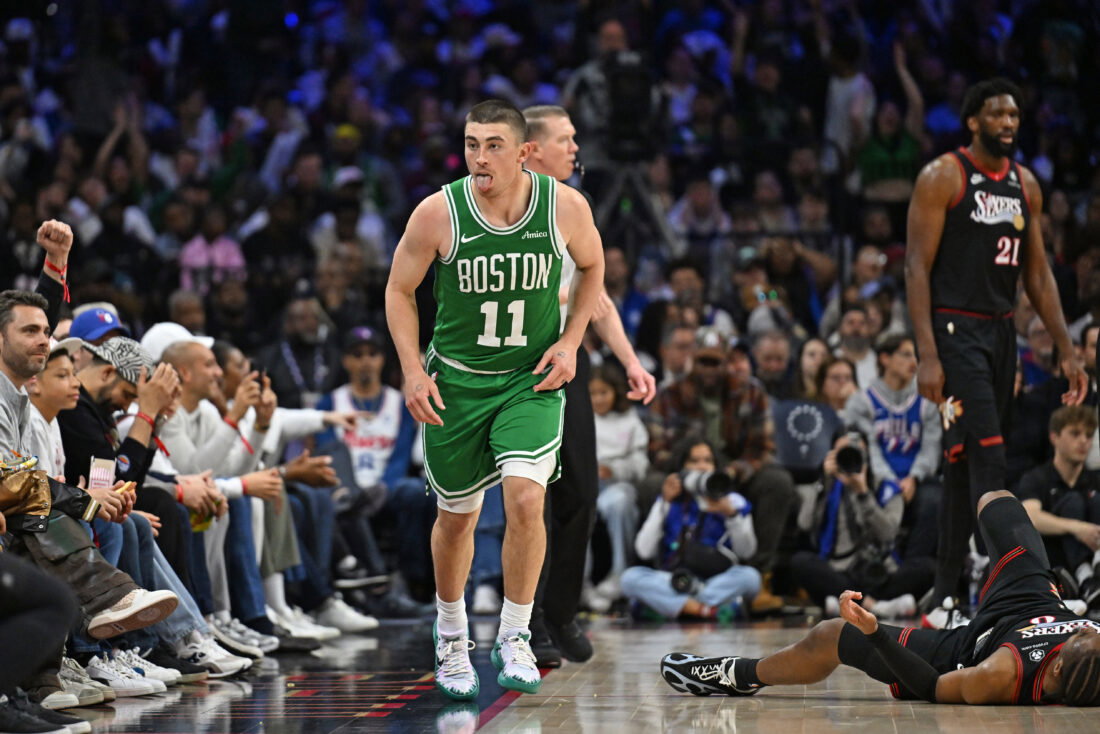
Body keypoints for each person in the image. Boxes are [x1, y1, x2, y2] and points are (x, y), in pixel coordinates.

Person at [385, 100, 604, 699]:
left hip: (526, 380)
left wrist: (570, 341)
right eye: (471, 144)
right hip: (456, 382)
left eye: (493, 145)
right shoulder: (439, 212)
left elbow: (593, 268)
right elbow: (399, 290)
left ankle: (515, 634)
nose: (479, 157)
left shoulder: (564, 206)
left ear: (524, 152)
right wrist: (411, 370)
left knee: (527, 499)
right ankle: (452, 634)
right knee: (458, 519)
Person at [905, 78, 1087, 622]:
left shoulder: (1024, 185)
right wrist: (927, 353)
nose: (1009, 123)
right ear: (973, 121)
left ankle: (945, 593)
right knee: (989, 453)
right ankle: (1008, 587)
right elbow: (915, 266)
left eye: (1015, 115)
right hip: (954, 331)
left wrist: (1067, 348)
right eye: (997, 114)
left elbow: (1037, 273)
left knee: (964, 463)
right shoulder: (944, 176)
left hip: (1002, 331)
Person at [661, 490, 1100, 707]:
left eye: (1078, 634)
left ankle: (736, 675)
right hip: (1036, 602)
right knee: (997, 501)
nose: (1084, 628)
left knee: (834, 633)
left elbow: (930, 688)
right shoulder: (1089, 655)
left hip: (974, 647)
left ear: (1058, 664)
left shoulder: (999, 676)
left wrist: (875, 636)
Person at [521, 104, 657, 665]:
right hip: (515, 369)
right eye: (566, 139)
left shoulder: (576, 207)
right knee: (530, 499)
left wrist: (629, 361)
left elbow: (594, 297)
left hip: (568, 363)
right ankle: (525, 622)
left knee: (580, 491)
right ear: (531, 150)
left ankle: (559, 611)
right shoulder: (502, 209)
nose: (577, 149)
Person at [790, 431, 934, 620]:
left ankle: (845, 603)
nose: (850, 457)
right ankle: (874, 606)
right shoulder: (826, 486)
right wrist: (821, 482)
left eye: (856, 452)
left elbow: (888, 534)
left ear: (868, 456)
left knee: (928, 568)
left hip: (881, 572)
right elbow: (804, 523)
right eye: (843, 452)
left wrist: (863, 493)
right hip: (840, 571)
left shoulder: (887, 489)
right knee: (801, 562)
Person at [621, 439, 760, 621]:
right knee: (630, 578)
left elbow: (747, 551)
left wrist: (732, 516)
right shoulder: (670, 500)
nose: (702, 467)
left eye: (708, 461)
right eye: (694, 461)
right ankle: (705, 610)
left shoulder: (733, 501)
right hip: (674, 581)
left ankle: (672, 607)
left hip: (716, 581)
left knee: (751, 578)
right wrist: (664, 503)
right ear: (682, 467)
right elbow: (644, 551)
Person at [1015, 405, 1100, 610]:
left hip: (1092, 556)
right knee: (1073, 502)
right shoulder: (1036, 478)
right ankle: (1083, 577)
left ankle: (1094, 575)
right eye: (1075, 433)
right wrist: (1077, 528)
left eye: (1088, 436)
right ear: (1054, 437)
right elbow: (1031, 516)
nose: (1083, 441)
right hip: (1055, 565)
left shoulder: (1095, 479)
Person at [586, 364, 648, 611]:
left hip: (617, 485)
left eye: (604, 392)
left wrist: (614, 469)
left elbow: (640, 463)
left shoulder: (630, 421)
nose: (599, 399)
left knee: (617, 503)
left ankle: (619, 572)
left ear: (616, 393)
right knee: (579, 509)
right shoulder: (578, 417)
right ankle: (583, 583)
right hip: (587, 486)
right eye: (593, 393)